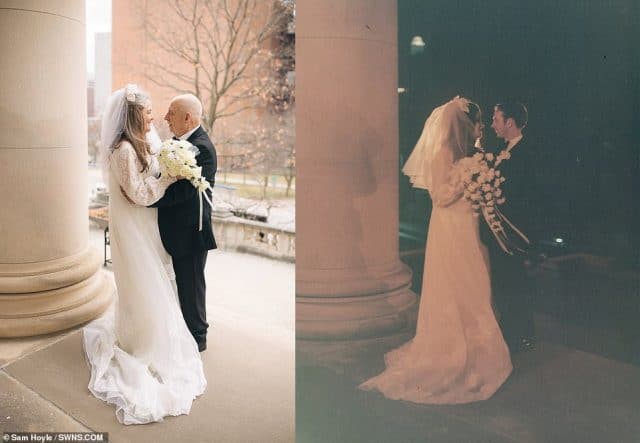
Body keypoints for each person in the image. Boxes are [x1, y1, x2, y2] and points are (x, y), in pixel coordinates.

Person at [359, 96, 512, 404]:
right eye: (477, 122)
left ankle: (480, 350)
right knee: (454, 285)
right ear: (463, 124)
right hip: (449, 227)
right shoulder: (442, 151)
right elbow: (439, 196)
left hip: (467, 225)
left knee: (474, 282)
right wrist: (467, 178)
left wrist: (476, 179)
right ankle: (451, 351)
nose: (480, 127)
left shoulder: (467, 151)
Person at [83, 85, 206, 425]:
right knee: (144, 284)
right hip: (134, 226)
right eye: (149, 110)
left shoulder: (145, 138)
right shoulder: (122, 149)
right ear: (135, 114)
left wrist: (168, 165)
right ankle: (144, 344)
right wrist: (169, 177)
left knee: (157, 281)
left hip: (148, 226)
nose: (155, 116)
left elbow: (153, 167)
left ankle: (154, 336)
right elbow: (137, 193)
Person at [150, 94, 217, 352]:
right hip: (175, 231)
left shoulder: (202, 148)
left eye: (171, 113)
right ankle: (184, 332)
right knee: (182, 286)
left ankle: (198, 339)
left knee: (191, 288)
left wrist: (145, 198)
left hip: (190, 233)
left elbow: (184, 192)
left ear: (187, 118)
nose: (165, 118)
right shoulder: (179, 142)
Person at [485, 101, 537, 352]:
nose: (492, 124)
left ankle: (523, 334)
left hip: (516, 232)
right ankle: (510, 331)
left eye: (496, 119)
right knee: (504, 281)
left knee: (517, 282)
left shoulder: (529, 152)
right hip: (499, 232)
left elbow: (530, 197)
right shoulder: (499, 148)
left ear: (510, 122)